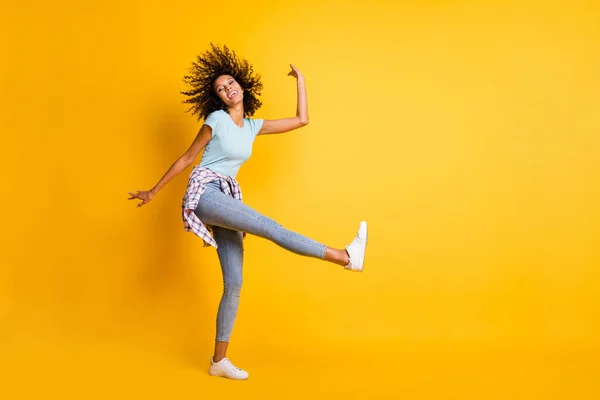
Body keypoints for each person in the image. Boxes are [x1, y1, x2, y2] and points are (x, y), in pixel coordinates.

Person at [128, 43, 368, 380]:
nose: (227, 90)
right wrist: (154, 191)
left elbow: (302, 119)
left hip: (224, 196)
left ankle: (218, 361)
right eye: (220, 90)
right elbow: (186, 158)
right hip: (205, 193)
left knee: (234, 284)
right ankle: (345, 257)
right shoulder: (216, 120)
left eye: (230, 83)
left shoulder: (253, 127)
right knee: (270, 228)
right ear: (218, 99)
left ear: (242, 85)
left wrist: (301, 79)